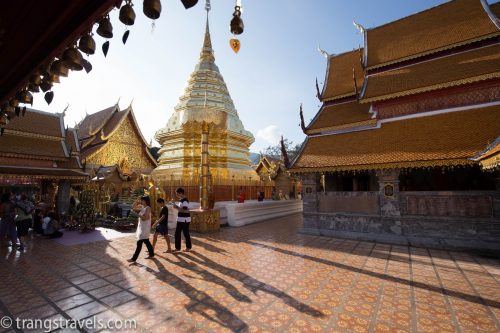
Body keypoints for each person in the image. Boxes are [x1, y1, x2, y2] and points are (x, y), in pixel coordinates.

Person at [128, 196, 154, 263]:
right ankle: (151, 254)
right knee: (146, 241)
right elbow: (132, 207)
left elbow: (145, 218)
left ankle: (134, 258)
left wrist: (136, 214)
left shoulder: (148, 208)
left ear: (145, 201)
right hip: (142, 227)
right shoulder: (143, 207)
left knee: (139, 243)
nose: (141, 201)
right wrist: (137, 200)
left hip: (145, 227)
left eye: (142, 200)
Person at [172, 187, 191, 252]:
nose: (176, 195)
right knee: (177, 234)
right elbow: (181, 209)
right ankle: (177, 248)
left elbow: (185, 211)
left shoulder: (185, 201)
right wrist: (176, 207)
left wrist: (176, 207)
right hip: (180, 219)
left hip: (185, 220)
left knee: (186, 233)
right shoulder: (181, 200)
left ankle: (188, 247)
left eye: (177, 193)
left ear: (181, 193)